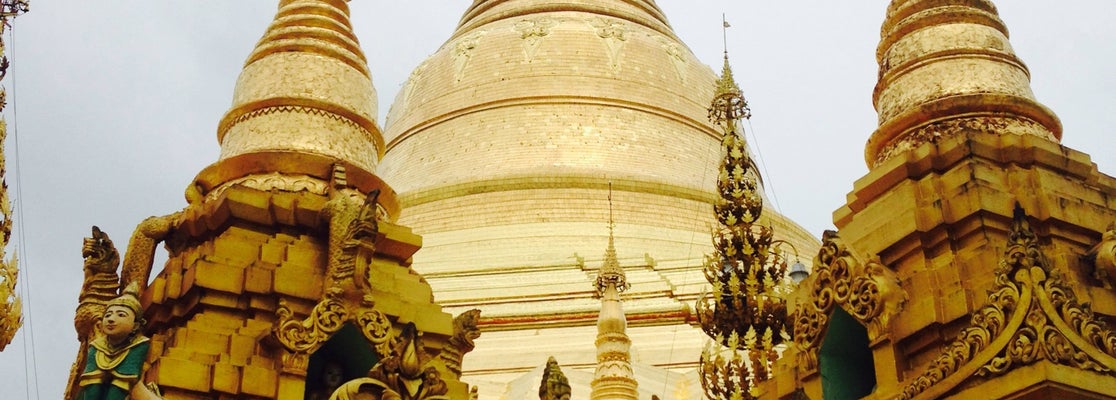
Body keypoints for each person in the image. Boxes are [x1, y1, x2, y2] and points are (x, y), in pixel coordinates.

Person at [76, 290, 161, 400]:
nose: (111, 319)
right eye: (107, 315)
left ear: (135, 326)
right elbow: (91, 382)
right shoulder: (96, 345)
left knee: (121, 384)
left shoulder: (140, 344)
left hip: (123, 390)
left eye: (121, 315)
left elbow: (125, 379)